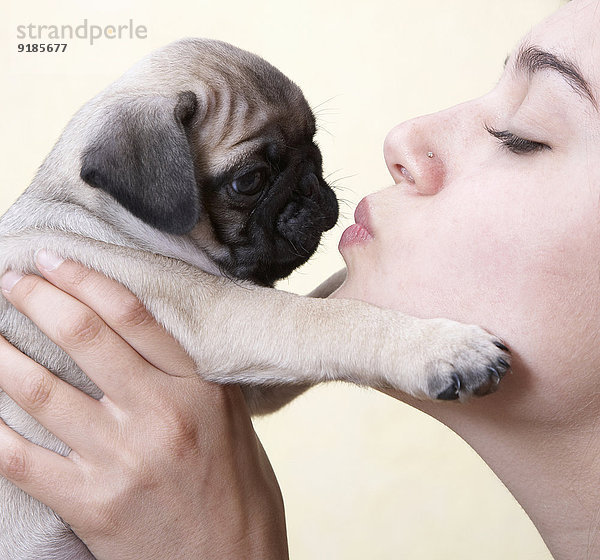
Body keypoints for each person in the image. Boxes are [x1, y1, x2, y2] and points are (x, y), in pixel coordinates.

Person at [0, 0, 597, 558]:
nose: (403, 139)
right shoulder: (62, 263)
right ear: (149, 187)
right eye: (249, 181)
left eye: (525, 136)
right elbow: (235, 342)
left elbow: (242, 355)